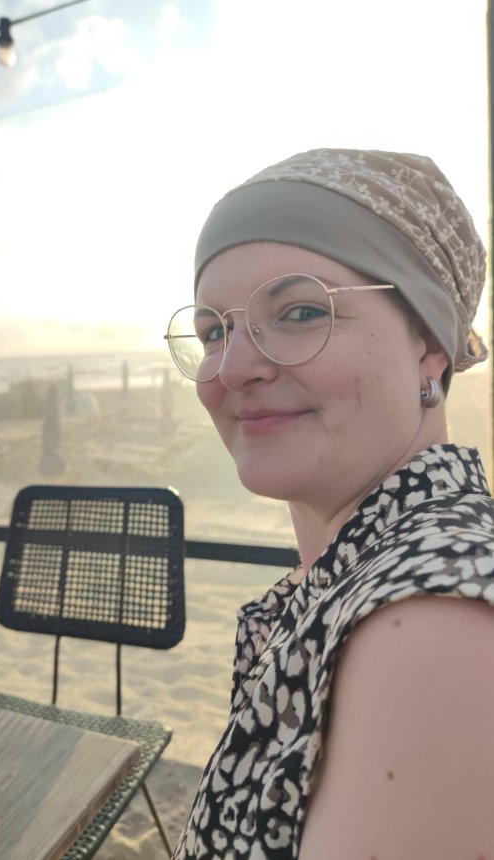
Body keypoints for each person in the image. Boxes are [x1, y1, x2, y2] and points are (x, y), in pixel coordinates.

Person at [165, 148, 494, 859]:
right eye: (214, 330)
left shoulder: (432, 619)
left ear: (429, 348)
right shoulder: (357, 574)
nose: (233, 368)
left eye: (301, 312)